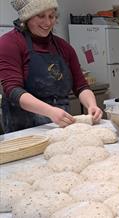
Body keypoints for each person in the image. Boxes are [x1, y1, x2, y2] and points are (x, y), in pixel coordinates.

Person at [0, 0, 103, 133]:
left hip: (60, 126)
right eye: (41, 16)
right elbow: (13, 91)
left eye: (52, 16)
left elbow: (81, 86)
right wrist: (50, 111)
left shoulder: (64, 47)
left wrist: (92, 105)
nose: (48, 23)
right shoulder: (9, 44)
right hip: (24, 130)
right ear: (26, 18)